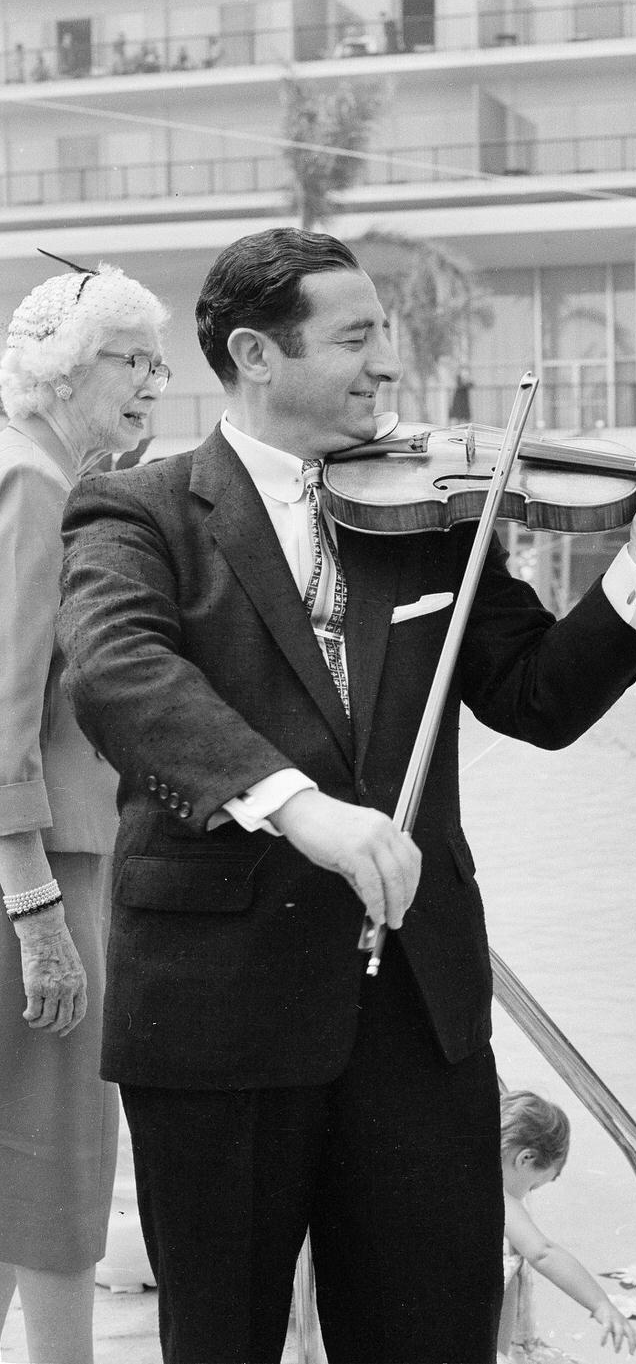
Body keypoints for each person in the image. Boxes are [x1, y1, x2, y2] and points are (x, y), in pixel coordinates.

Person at [57, 226, 636, 1363]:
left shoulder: (427, 518)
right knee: (220, 1340)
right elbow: (121, 676)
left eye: (387, 337)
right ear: (256, 356)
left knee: (430, 1334)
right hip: (216, 1012)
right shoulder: (140, 512)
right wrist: (295, 804)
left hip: (415, 1012)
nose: (387, 365)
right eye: (357, 336)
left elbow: (537, 699)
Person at [1, 263, 170, 1364]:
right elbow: (9, 701)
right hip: (43, 868)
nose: (156, 381)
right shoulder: (38, 484)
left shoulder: (46, 470)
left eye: (160, 361)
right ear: (66, 365)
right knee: (59, 1169)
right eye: (133, 358)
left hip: (39, 862)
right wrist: (35, 903)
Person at [497, 1091, 636, 1359]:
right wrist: (600, 1304)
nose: (527, 1196)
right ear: (525, 1159)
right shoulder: (496, 1195)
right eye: (534, 1185)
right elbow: (543, 1252)